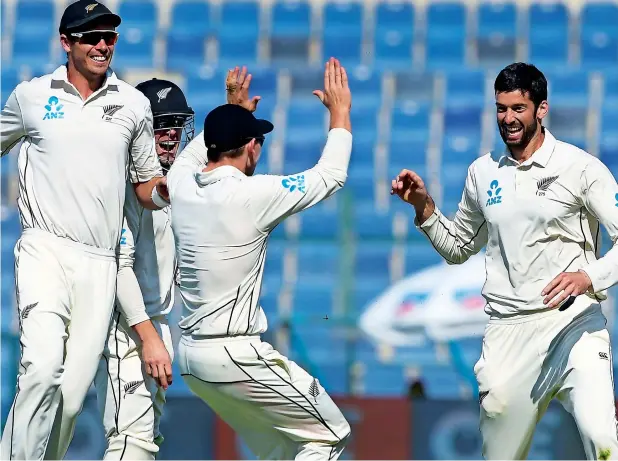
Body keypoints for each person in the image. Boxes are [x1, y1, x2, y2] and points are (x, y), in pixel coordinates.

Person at [391, 62, 618, 460]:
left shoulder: (580, 167)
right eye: (501, 109)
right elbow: (458, 247)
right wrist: (424, 208)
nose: (508, 119)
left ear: (541, 109)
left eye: (518, 108)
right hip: (508, 333)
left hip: (574, 324)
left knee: (603, 440)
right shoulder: (482, 173)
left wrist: (587, 276)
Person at [0, 0, 170, 459]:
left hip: (101, 262)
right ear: (66, 42)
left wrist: (171, 191)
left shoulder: (132, 104)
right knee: (42, 367)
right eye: (91, 37)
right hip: (45, 248)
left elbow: (145, 187)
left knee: (72, 398)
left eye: (109, 37)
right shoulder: (32, 96)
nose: (101, 45)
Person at [166, 57, 353, 460]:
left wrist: (231, 111)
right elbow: (331, 175)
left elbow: (189, 158)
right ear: (251, 147)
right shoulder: (252, 195)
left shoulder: (180, 186)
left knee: (278, 450)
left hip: (193, 360)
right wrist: (340, 113)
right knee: (330, 434)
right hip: (235, 354)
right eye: (258, 142)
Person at [93, 78, 194, 460]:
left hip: (154, 324)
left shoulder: (170, 185)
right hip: (126, 328)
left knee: (142, 440)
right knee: (130, 441)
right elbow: (119, 266)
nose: (170, 134)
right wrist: (148, 337)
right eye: (161, 124)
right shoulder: (123, 184)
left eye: (177, 123)